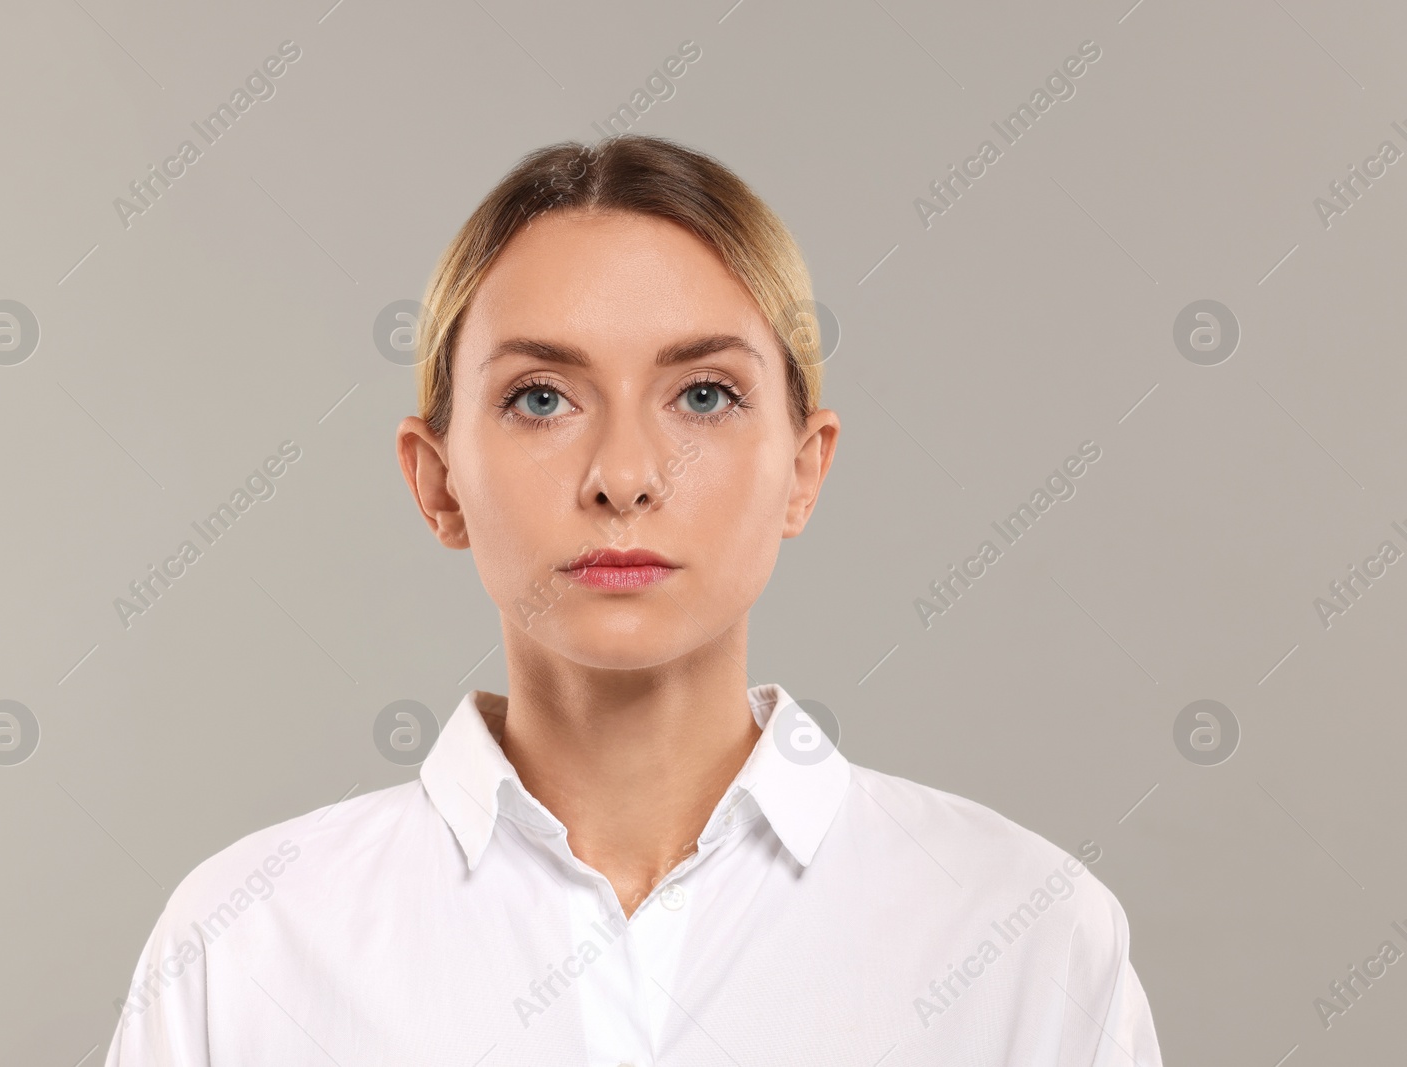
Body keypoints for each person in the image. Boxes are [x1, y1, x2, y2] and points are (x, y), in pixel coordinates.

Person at [103, 134, 1163, 1065]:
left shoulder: (1026, 933)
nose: (622, 472)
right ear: (436, 481)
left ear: (802, 467)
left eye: (703, 394)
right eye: (541, 398)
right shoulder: (247, 943)